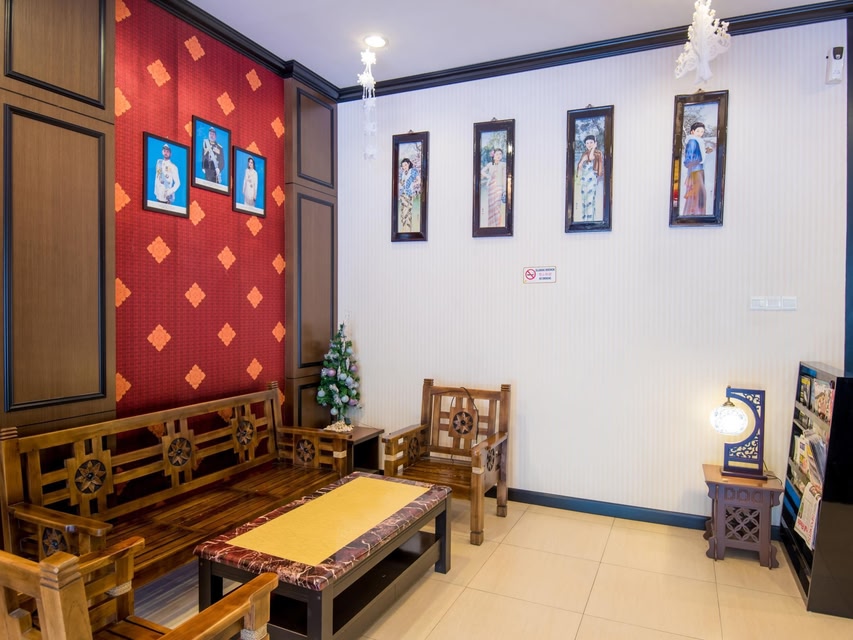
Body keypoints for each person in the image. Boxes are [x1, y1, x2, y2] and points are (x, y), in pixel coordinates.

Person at [682, 121, 712, 216]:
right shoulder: (692, 141)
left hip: (699, 171)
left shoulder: (698, 141)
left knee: (698, 196)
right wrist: (699, 159)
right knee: (698, 195)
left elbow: (696, 155)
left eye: (702, 131)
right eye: (698, 131)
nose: (700, 133)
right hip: (695, 172)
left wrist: (705, 152)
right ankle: (695, 215)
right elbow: (688, 161)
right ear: (692, 131)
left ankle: (697, 214)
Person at [576, 134, 603, 221]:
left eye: (591, 142)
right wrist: (582, 161)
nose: (589, 144)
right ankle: (584, 220)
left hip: (592, 179)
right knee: (584, 200)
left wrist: (594, 148)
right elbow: (579, 166)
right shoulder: (584, 154)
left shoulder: (598, 153)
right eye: (587, 143)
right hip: (584, 179)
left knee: (590, 200)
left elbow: (591, 158)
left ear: (595, 143)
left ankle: (590, 220)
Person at [480, 147, 506, 227]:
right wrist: (488, 176)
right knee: (491, 206)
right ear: (493, 155)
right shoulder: (490, 164)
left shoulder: (503, 164)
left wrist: (504, 190)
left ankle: (498, 225)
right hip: (491, 187)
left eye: (500, 154)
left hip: (499, 187)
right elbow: (482, 171)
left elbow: (504, 177)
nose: (499, 156)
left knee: (497, 206)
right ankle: (491, 225)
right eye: (497, 154)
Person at [398, 157, 419, 231]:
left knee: (407, 212)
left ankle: (407, 229)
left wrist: (412, 184)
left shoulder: (413, 171)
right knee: (403, 213)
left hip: (409, 194)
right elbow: (401, 183)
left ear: (409, 164)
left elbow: (419, 180)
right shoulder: (402, 173)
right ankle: (405, 229)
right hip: (403, 195)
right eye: (403, 166)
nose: (404, 167)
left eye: (405, 165)